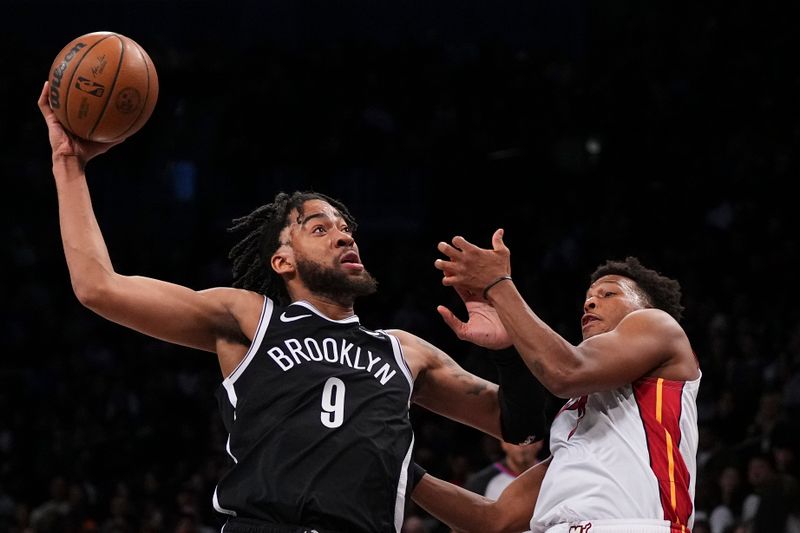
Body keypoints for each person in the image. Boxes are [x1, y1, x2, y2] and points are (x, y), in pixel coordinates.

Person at [37, 83, 547, 533]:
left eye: (346, 228)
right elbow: (98, 287)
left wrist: (507, 350)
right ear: (282, 261)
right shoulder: (249, 318)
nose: (344, 235)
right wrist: (68, 164)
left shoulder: (405, 351)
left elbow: (517, 424)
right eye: (320, 228)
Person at [412, 230, 701, 533]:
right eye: (588, 298)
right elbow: (494, 519)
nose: (590, 304)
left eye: (608, 294)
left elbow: (565, 372)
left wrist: (497, 285)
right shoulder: (578, 425)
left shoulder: (658, 324)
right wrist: (397, 466)